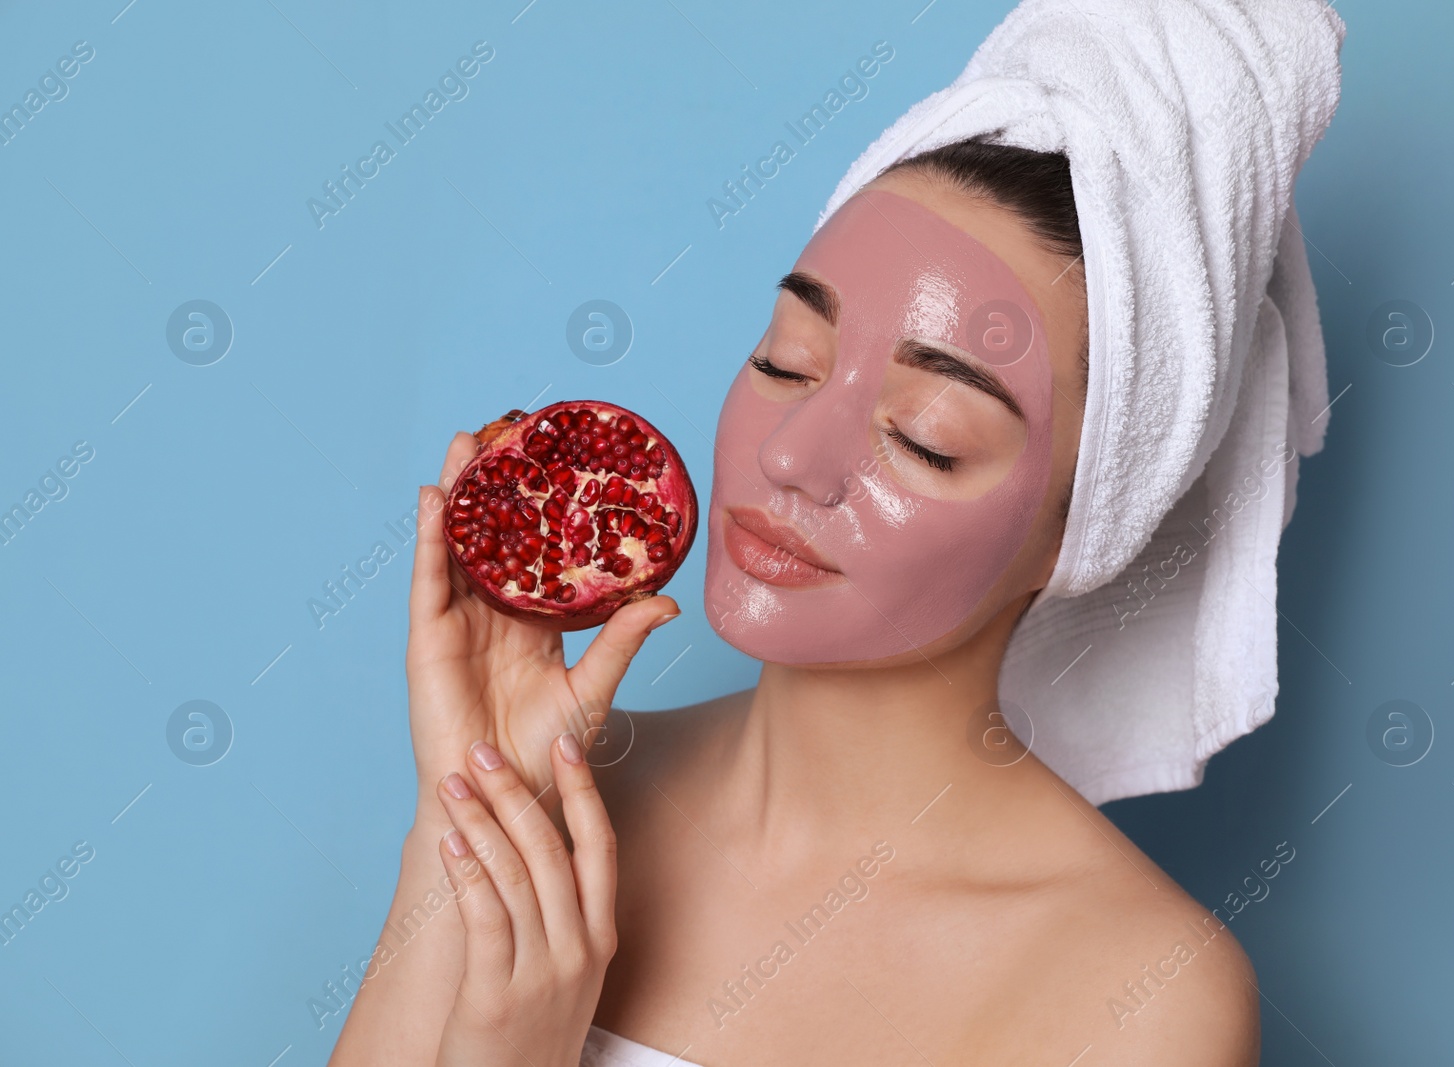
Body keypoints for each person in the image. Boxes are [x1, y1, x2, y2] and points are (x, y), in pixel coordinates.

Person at [329, 136, 1263, 1066]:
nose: (790, 456)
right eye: (788, 362)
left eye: (925, 437)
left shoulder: (1141, 993)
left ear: (1077, 533)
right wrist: (468, 808)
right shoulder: (547, 798)